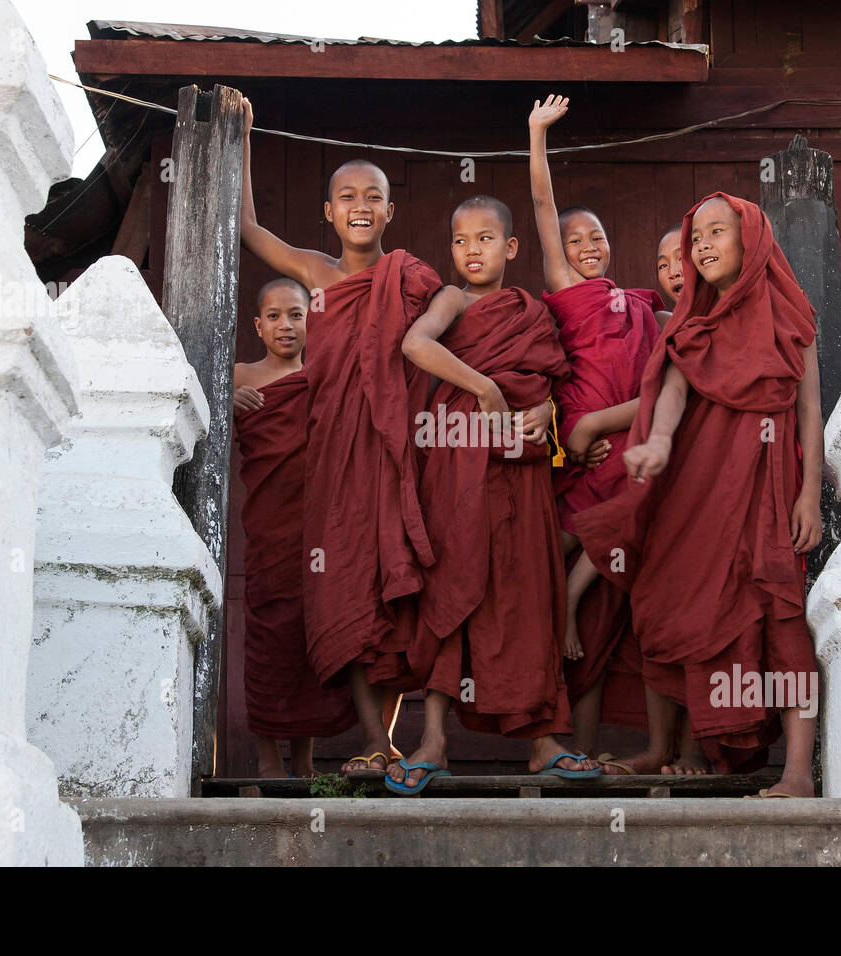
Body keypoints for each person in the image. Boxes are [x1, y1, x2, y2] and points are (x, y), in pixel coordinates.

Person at [574, 192, 823, 796]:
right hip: (697, 493)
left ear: (751, 240)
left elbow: (811, 412)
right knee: (666, 599)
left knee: (778, 615)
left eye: (717, 232)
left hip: (767, 493)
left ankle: (795, 773)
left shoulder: (791, 317)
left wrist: (810, 493)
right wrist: (657, 442)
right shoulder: (692, 320)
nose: (703, 245)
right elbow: (673, 392)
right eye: (697, 237)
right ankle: (662, 746)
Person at [238, 96, 438, 774]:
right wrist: (242, 134)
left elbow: (448, 348)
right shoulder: (318, 275)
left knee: (395, 595)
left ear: (389, 212)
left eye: (373, 196)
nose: (359, 205)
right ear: (329, 212)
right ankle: (376, 743)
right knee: (346, 592)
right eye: (346, 195)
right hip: (336, 463)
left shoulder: (410, 279)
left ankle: (388, 739)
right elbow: (246, 226)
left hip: (395, 458)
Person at [386, 196, 600, 793]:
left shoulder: (530, 311)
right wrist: (483, 389)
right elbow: (414, 346)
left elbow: (552, 385)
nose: (471, 250)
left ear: (510, 247)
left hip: (522, 476)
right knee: (453, 588)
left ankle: (542, 741)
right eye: (460, 240)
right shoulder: (452, 300)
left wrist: (547, 413)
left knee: (527, 592)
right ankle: (432, 738)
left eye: (484, 239)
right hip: (456, 468)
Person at [529, 94, 660, 758]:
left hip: (625, 440)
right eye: (578, 239)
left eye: (597, 237)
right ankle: (555, 623)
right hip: (581, 437)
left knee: (607, 600)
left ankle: (577, 755)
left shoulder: (641, 303)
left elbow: (669, 379)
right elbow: (545, 211)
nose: (585, 246)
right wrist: (536, 136)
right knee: (554, 553)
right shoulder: (567, 288)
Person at [233, 278, 356, 778]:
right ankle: (267, 758)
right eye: (276, 316)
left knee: (310, 632)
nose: (287, 325)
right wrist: (227, 397)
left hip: (318, 527)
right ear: (258, 325)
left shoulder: (323, 377)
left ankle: (304, 760)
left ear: (312, 321)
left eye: (297, 315)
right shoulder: (239, 375)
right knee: (268, 633)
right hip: (269, 528)